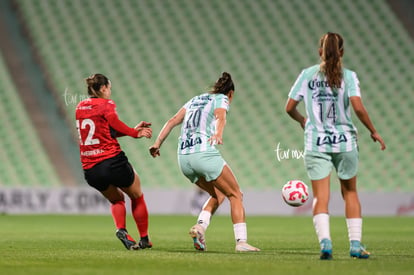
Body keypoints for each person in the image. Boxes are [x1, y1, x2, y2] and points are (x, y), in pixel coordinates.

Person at [285, 32, 386, 260]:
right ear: (342, 52)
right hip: (344, 141)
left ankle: (326, 244)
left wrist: (302, 120)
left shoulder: (307, 75)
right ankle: (355, 245)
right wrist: (373, 131)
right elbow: (358, 108)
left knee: (321, 197)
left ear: (320, 51)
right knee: (350, 192)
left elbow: (289, 106)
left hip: (316, 141)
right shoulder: (348, 76)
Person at [149, 72, 260, 252]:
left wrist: (157, 143)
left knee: (219, 194)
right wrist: (218, 133)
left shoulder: (194, 100)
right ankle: (241, 242)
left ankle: (200, 227)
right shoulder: (222, 99)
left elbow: (172, 121)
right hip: (203, 154)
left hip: (183, 159)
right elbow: (220, 116)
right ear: (230, 93)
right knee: (236, 194)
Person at [75, 73, 153, 250]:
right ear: (103, 88)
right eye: (109, 88)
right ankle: (144, 239)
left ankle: (121, 229)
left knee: (117, 200)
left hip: (91, 168)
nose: (110, 92)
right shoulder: (106, 104)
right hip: (112, 161)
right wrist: (135, 133)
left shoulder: (80, 107)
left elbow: (106, 131)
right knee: (136, 195)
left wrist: (131, 129)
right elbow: (113, 121)